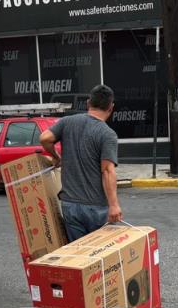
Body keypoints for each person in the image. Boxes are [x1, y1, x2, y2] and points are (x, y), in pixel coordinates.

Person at [39, 84, 121, 242]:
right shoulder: (107, 134)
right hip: (96, 208)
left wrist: (56, 157)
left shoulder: (67, 122)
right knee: (99, 255)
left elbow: (44, 138)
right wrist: (114, 205)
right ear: (111, 107)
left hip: (70, 205)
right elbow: (108, 171)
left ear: (88, 103)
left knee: (78, 256)